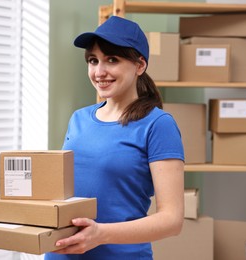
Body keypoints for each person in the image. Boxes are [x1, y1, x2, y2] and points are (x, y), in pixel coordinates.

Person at [44, 16, 185, 260]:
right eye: (93, 60)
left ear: (140, 65)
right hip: (60, 254)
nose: (99, 72)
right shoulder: (79, 118)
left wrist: (100, 234)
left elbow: (172, 220)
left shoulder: (158, 125)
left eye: (112, 59)